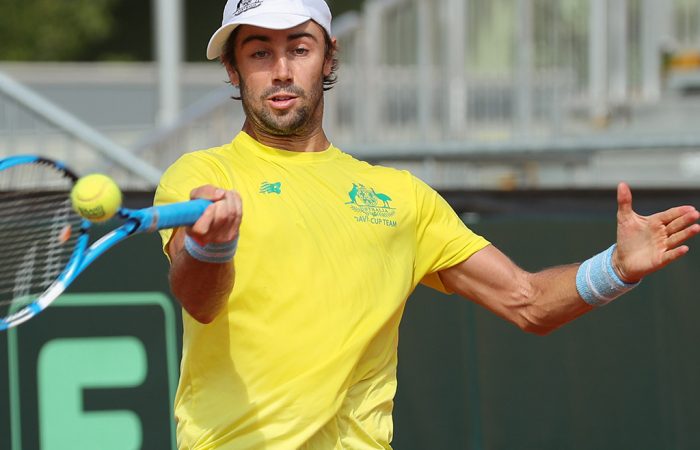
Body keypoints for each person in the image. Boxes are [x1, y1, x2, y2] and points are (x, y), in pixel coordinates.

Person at [154, 0, 700, 448]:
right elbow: (199, 301)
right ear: (233, 69)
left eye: (299, 48)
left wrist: (617, 268)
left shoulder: (402, 197)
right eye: (258, 52)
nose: (280, 71)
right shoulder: (202, 176)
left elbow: (528, 302)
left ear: (328, 57)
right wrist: (212, 247)